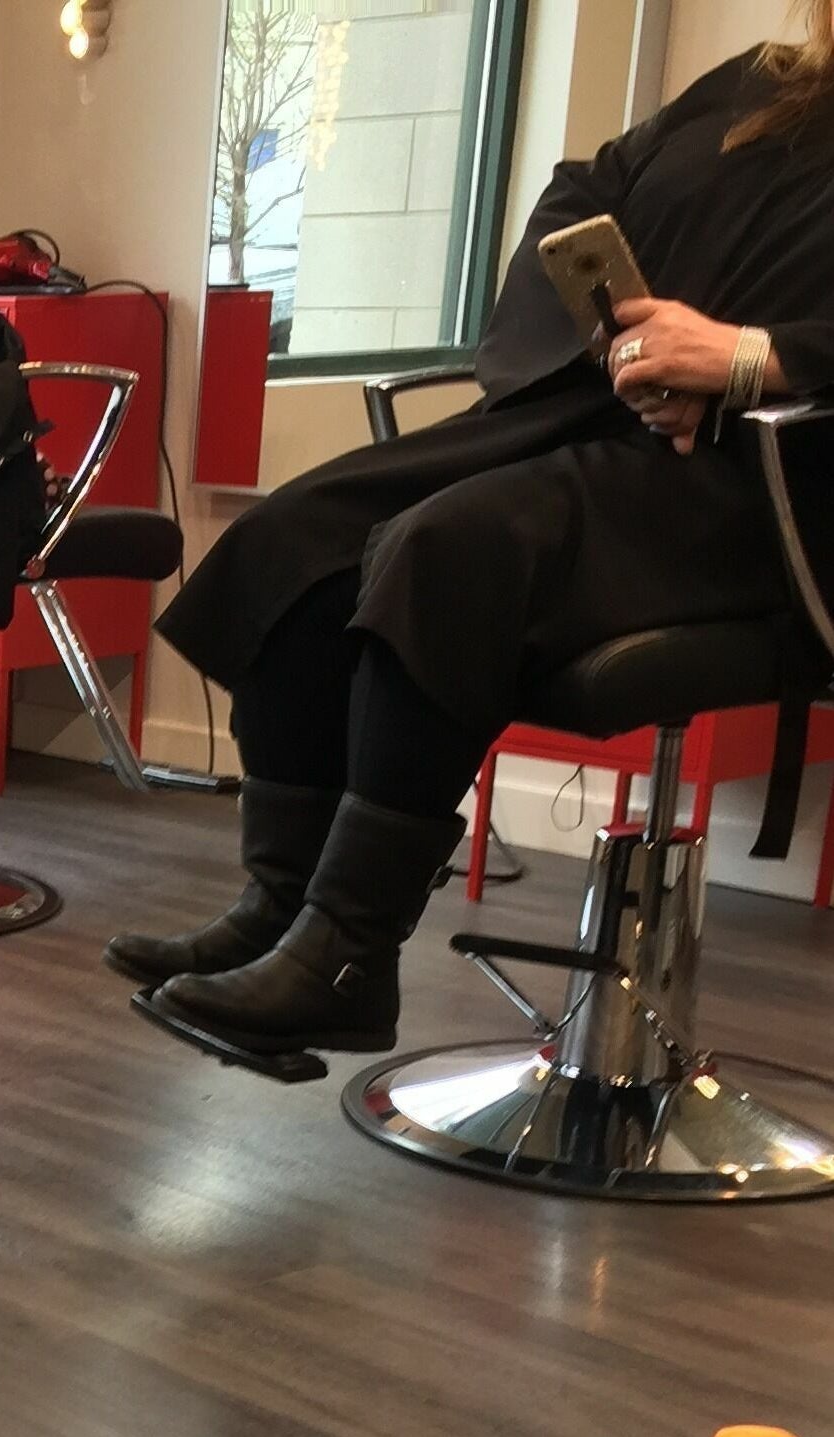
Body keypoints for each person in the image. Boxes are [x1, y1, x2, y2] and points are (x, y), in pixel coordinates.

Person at [111, 14, 834, 1066]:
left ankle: (347, 951)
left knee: (448, 546)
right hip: (603, 417)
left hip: (768, 489)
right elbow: (583, 189)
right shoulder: (758, 85)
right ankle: (282, 904)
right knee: (297, 536)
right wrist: (620, 332)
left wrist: (750, 358)